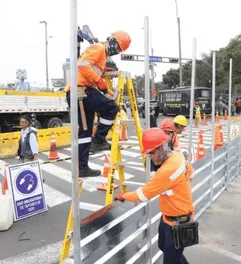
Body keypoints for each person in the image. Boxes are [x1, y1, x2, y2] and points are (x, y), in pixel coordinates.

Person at [115, 128, 195, 264]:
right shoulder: (177, 156)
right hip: (168, 218)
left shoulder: (166, 171)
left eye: (152, 152)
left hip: (178, 222)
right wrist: (178, 188)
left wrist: (124, 196)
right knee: (163, 246)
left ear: (163, 147)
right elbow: (191, 173)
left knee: (171, 260)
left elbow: (143, 195)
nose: (150, 157)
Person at [65, 30, 131, 177]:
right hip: (82, 90)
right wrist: (99, 81)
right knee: (112, 108)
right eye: (118, 48)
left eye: (120, 50)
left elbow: (90, 65)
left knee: (85, 133)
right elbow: (83, 65)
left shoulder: (101, 54)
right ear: (112, 41)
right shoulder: (99, 48)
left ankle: (81, 167)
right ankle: (99, 139)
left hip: (78, 92)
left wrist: (105, 71)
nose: (117, 51)